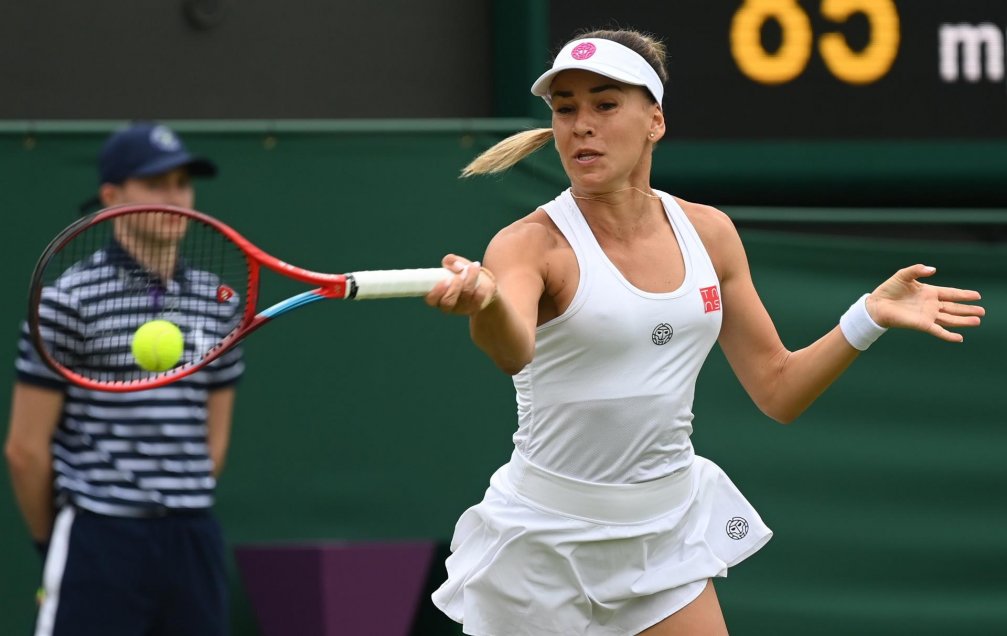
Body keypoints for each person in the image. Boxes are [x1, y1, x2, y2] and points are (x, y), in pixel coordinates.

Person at [423, 28, 985, 636]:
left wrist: (868, 316)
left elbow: (779, 388)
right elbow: (513, 349)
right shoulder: (529, 243)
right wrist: (484, 304)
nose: (581, 124)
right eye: (566, 110)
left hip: (664, 538)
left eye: (605, 104)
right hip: (543, 548)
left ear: (655, 121)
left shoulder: (710, 233)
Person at [4, 121, 245, 636]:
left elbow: (214, 440)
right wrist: (57, 545)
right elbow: (24, 449)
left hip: (192, 537)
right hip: (100, 536)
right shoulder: (66, 301)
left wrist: (177, 493)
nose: (175, 197)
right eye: (156, 184)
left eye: (182, 183)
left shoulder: (221, 300)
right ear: (112, 197)